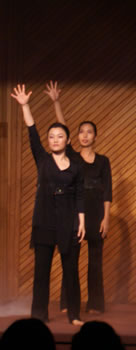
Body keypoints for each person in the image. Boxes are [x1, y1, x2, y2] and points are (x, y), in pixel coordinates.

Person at [11, 84, 84, 326]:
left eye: (59, 136)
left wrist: (82, 222)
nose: (55, 140)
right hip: (44, 222)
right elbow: (32, 132)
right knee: (41, 274)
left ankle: (74, 315)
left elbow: (80, 195)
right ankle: (39, 316)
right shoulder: (42, 160)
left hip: (68, 222)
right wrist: (25, 106)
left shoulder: (76, 165)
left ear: (68, 140)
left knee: (71, 272)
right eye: (51, 136)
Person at [45, 81, 112, 314]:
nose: (85, 135)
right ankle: (68, 302)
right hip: (75, 212)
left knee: (95, 262)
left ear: (95, 137)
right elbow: (62, 126)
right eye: (81, 131)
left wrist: (106, 218)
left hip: (96, 213)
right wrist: (56, 102)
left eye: (89, 132)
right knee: (70, 260)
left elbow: (108, 190)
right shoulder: (72, 156)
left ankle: (95, 304)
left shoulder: (103, 161)